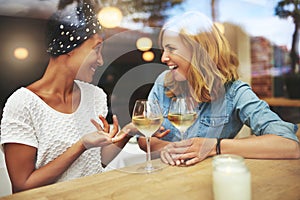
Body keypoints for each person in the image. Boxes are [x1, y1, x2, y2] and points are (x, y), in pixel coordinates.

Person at [0, 2, 135, 193]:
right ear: (71, 47)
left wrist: (129, 131)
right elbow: (22, 185)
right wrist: (81, 145)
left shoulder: (95, 96)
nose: (101, 60)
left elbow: (99, 161)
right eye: (96, 49)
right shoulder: (23, 103)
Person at [138, 11, 300, 166]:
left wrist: (215, 147)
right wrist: (164, 148)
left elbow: (289, 145)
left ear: (199, 51)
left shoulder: (235, 92)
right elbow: (145, 138)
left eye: (171, 49)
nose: (163, 57)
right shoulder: (163, 83)